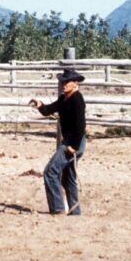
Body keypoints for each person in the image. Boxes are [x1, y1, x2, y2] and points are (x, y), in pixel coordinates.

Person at [29, 68, 87, 215]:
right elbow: (48, 110)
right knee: (68, 178)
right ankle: (75, 211)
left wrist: (73, 146)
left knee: (50, 172)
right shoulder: (63, 99)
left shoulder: (77, 99)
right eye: (63, 81)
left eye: (67, 81)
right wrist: (39, 105)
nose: (64, 84)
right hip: (71, 142)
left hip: (73, 143)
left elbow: (81, 125)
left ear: (75, 83)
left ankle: (58, 208)